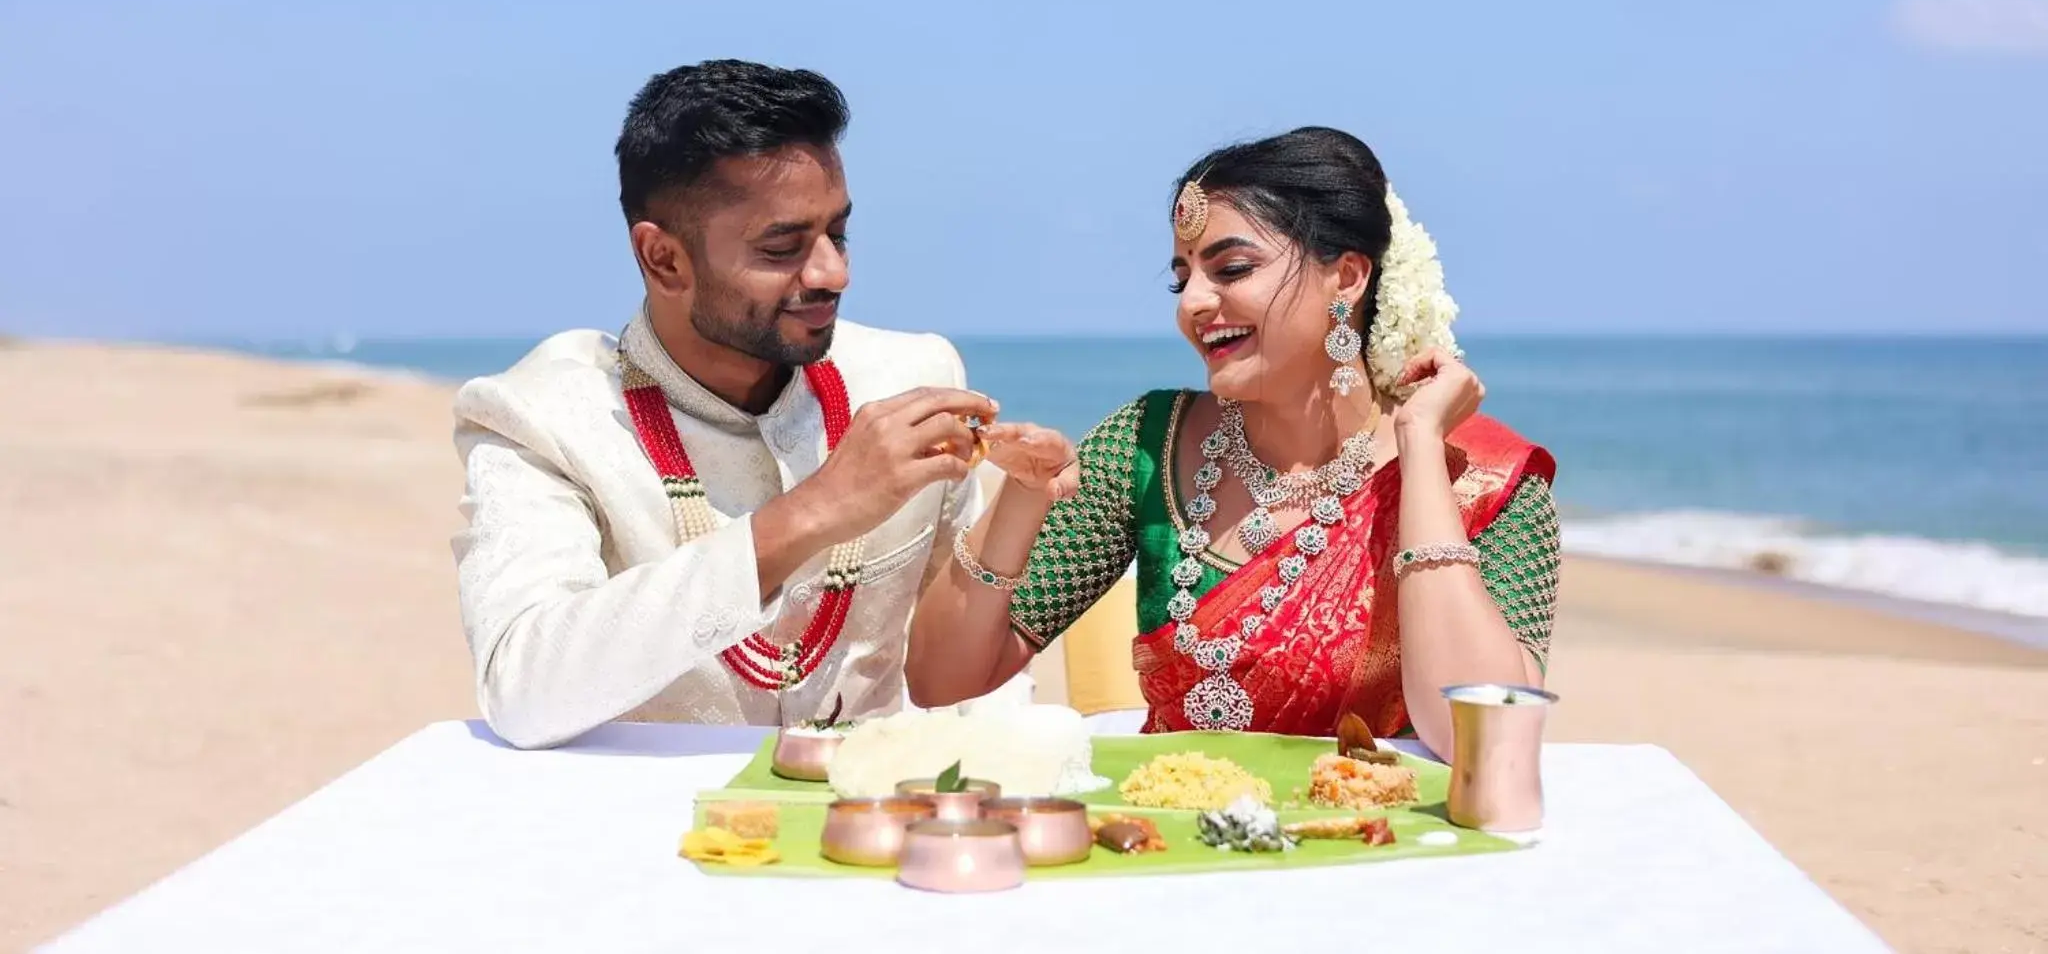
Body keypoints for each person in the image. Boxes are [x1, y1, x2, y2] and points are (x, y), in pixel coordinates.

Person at [450, 60, 1067, 748]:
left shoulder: (910, 376)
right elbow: (522, 687)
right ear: (664, 260)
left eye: (839, 231)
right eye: (784, 246)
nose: (835, 271)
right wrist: (812, 512)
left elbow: (952, 671)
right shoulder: (545, 417)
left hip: (875, 826)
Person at [906, 127, 1560, 758]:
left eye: (1232, 268)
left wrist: (1419, 447)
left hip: (1378, 848)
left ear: (1348, 277)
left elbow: (1481, 740)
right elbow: (942, 682)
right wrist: (1022, 495)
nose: (1193, 302)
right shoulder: (1147, 446)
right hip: (1175, 849)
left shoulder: (1485, 480)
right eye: (1181, 276)